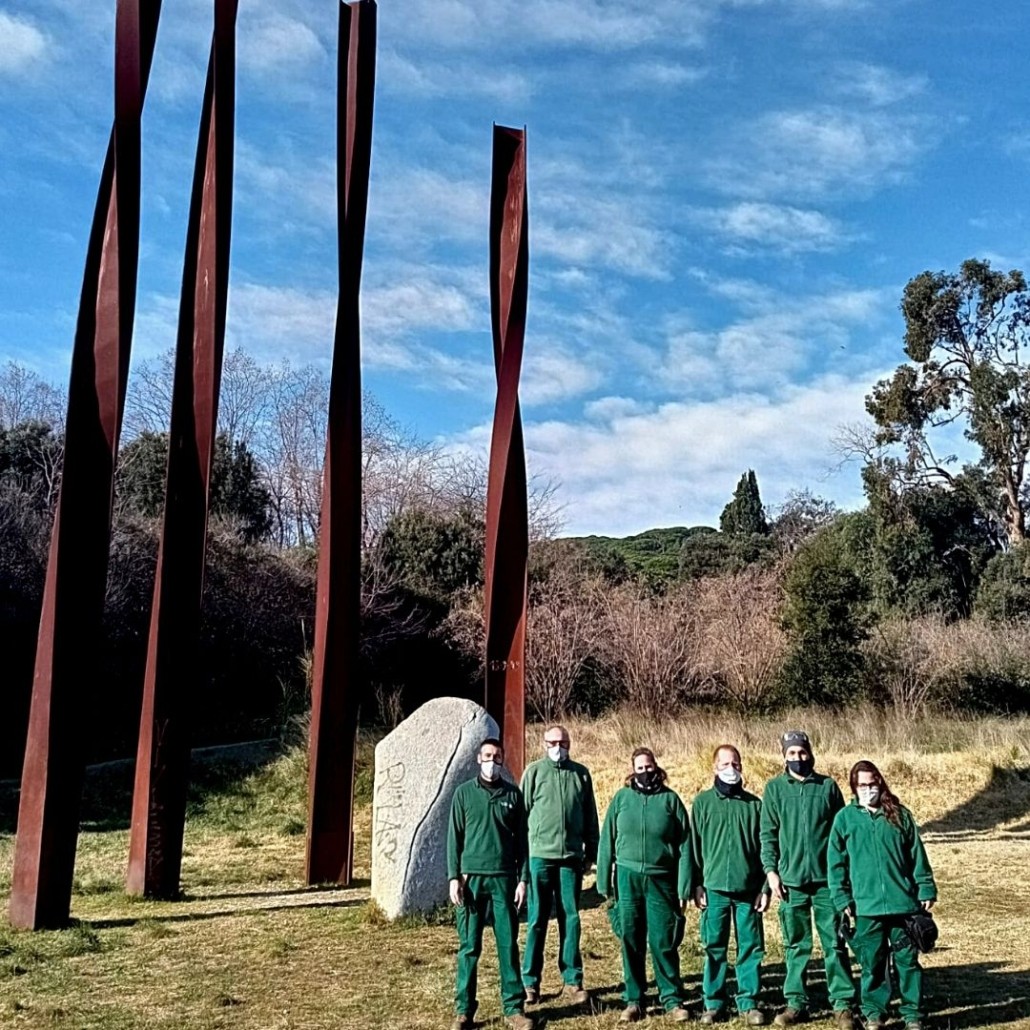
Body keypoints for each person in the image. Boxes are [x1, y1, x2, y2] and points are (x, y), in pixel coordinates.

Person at [828, 760, 937, 1030]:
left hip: (903, 905)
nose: (868, 789)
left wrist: (925, 886)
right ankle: (874, 1014)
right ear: (854, 787)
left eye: (872, 783)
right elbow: (836, 863)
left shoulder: (900, 815)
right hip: (866, 907)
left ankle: (913, 1014)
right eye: (862, 785)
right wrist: (842, 898)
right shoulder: (845, 819)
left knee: (907, 962)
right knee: (873, 964)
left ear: (880, 783)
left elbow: (916, 855)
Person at [761, 730, 855, 1028]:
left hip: (826, 882)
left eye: (802, 752)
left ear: (810, 753)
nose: (798, 758)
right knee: (796, 945)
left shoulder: (827, 786)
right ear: (784, 756)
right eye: (791, 753)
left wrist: (842, 875)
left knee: (835, 944)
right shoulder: (774, 789)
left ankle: (842, 1005)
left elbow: (842, 834)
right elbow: (768, 835)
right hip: (791, 882)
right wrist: (771, 872)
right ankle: (796, 1003)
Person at [596, 747, 693, 1023]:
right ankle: (634, 999)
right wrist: (603, 879)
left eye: (649, 767)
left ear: (656, 767)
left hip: (662, 878)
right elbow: (607, 839)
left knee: (663, 940)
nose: (645, 772)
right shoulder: (621, 799)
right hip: (627, 877)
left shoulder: (670, 800)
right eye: (640, 768)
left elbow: (686, 843)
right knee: (631, 938)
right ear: (632, 771)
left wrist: (685, 884)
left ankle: (672, 999)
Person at [447, 738, 534, 1030]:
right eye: (487, 755)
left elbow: (523, 842)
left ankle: (514, 1008)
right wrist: (453, 877)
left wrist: (523, 880)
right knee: (469, 947)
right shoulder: (463, 794)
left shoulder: (513, 795)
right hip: (471, 881)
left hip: (505, 880)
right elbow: (453, 839)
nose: (492, 761)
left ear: (503, 760)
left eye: (497, 757)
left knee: (508, 944)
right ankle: (464, 1011)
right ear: (477, 758)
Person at [520, 724, 599, 1007]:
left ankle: (572, 979)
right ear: (544, 743)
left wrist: (593, 850)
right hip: (539, 856)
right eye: (552, 742)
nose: (558, 747)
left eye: (562, 742)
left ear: (570, 744)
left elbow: (590, 815)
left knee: (571, 918)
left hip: (570, 859)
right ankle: (530, 983)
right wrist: (522, 859)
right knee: (537, 919)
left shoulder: (581, 774)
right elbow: (522, 816)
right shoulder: (533, 773)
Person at [692, 744, 769, 1026]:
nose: (731, 769)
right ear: (714, 768)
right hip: (713, 890)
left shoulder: (755, 805)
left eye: (735, 764)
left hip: (748, 891)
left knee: (750, 947)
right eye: (725, 764)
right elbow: (694, 848)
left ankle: (748, 1002)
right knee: (715, 946)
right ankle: (713, 1002)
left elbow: (766, 850)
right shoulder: (702, 804)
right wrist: (696, 885)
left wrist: (764, 888)